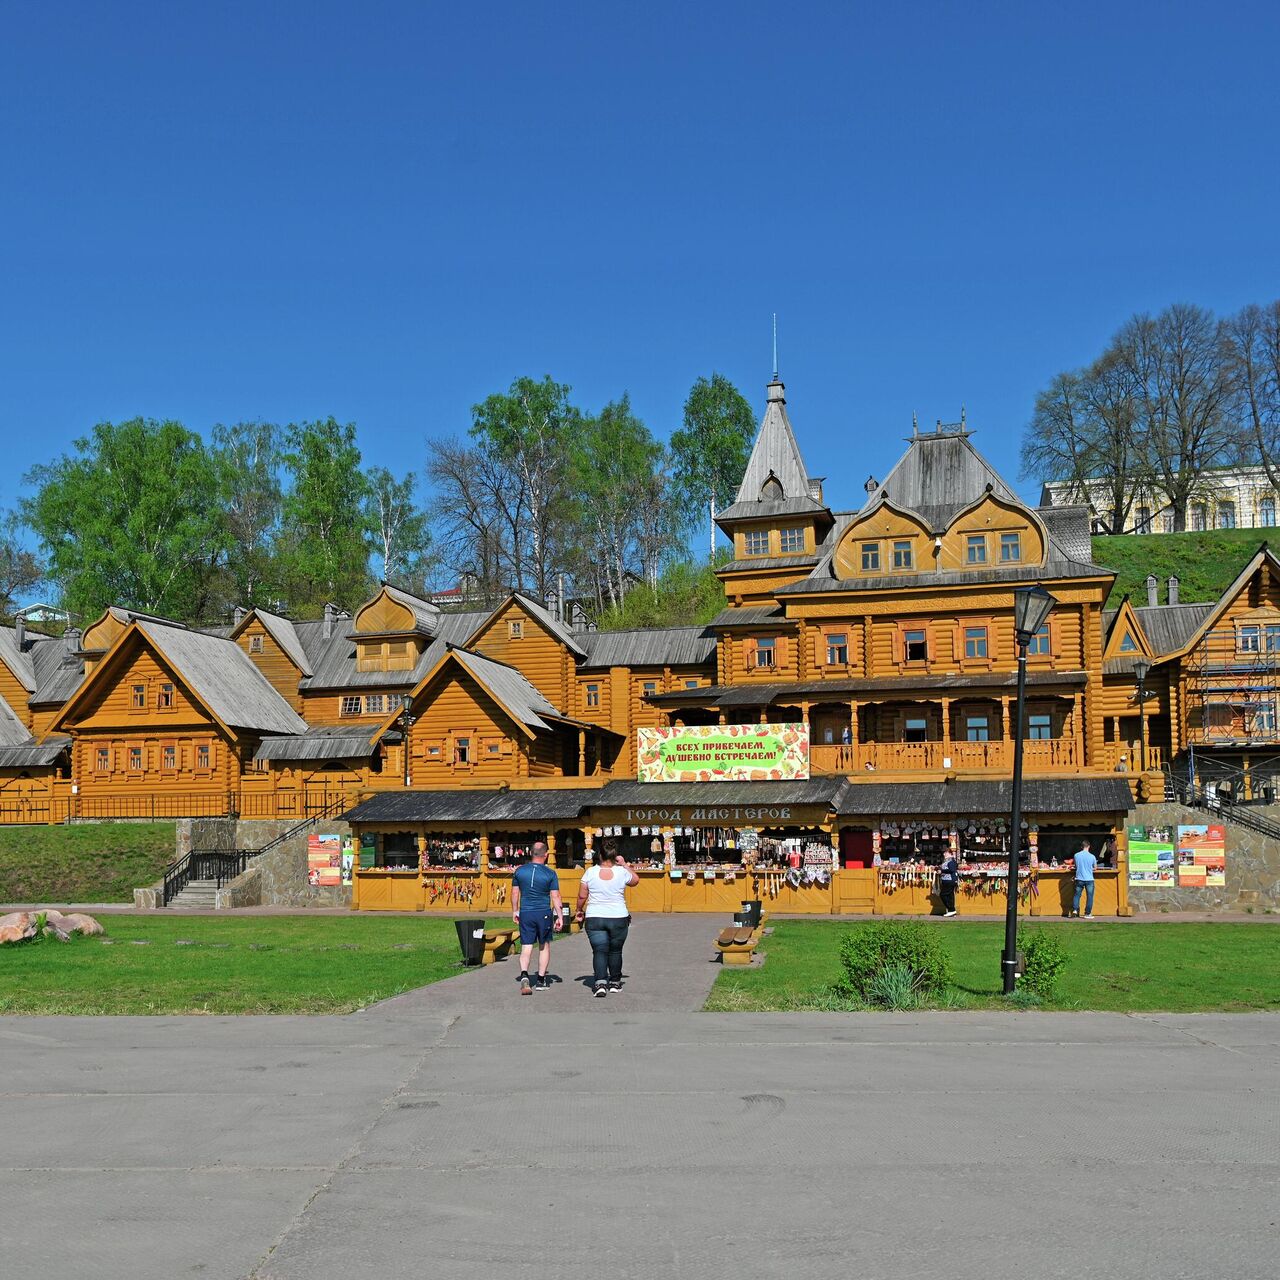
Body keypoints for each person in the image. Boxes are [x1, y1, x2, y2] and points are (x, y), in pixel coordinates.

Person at [575, 841, 638, 997]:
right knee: (616, 951)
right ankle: (615, 982)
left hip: (595, 917)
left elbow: (582, 895)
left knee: (599, 951)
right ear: (615, 856)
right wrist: (624, 864)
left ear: (600, 855)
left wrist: (578, 910)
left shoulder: (590, 873)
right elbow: (635, 880)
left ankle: (600, 984)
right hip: (618, 917)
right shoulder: (621, 872)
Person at [511, 842, 562, 994]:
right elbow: (556, 896)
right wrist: (560, 917)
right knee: (543, 945)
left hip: (526, 912)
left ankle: (525, 974)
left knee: (526, 946)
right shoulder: (550, 873)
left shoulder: (519, 871)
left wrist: (515, 911)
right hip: (543, 912)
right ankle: (540, 980)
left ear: (531, 853)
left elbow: (514, 894)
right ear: (546, 855)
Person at [1071, 839, 1097, 918]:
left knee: (1077, 895)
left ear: (1081, 847)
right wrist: (1090, 869)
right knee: (1090, 897)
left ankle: (1075, 910)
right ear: (1089, 846)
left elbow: (1076, 866)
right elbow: (1095, 868)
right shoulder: (1092, 856)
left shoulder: (1076, 855)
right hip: (1089, 879)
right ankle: (1087, 913)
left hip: (1079, 878)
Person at [938, 850, 959, 917]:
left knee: (943, 895)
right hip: (946, 880)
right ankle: (952, 911)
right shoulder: (946, 861)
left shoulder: (951, 861)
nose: (944, 854)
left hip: (950, 880)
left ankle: (951, 909)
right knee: (950, 896)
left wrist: (941, 871)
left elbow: (952, 870)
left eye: (945, 853)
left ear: (950, 853)